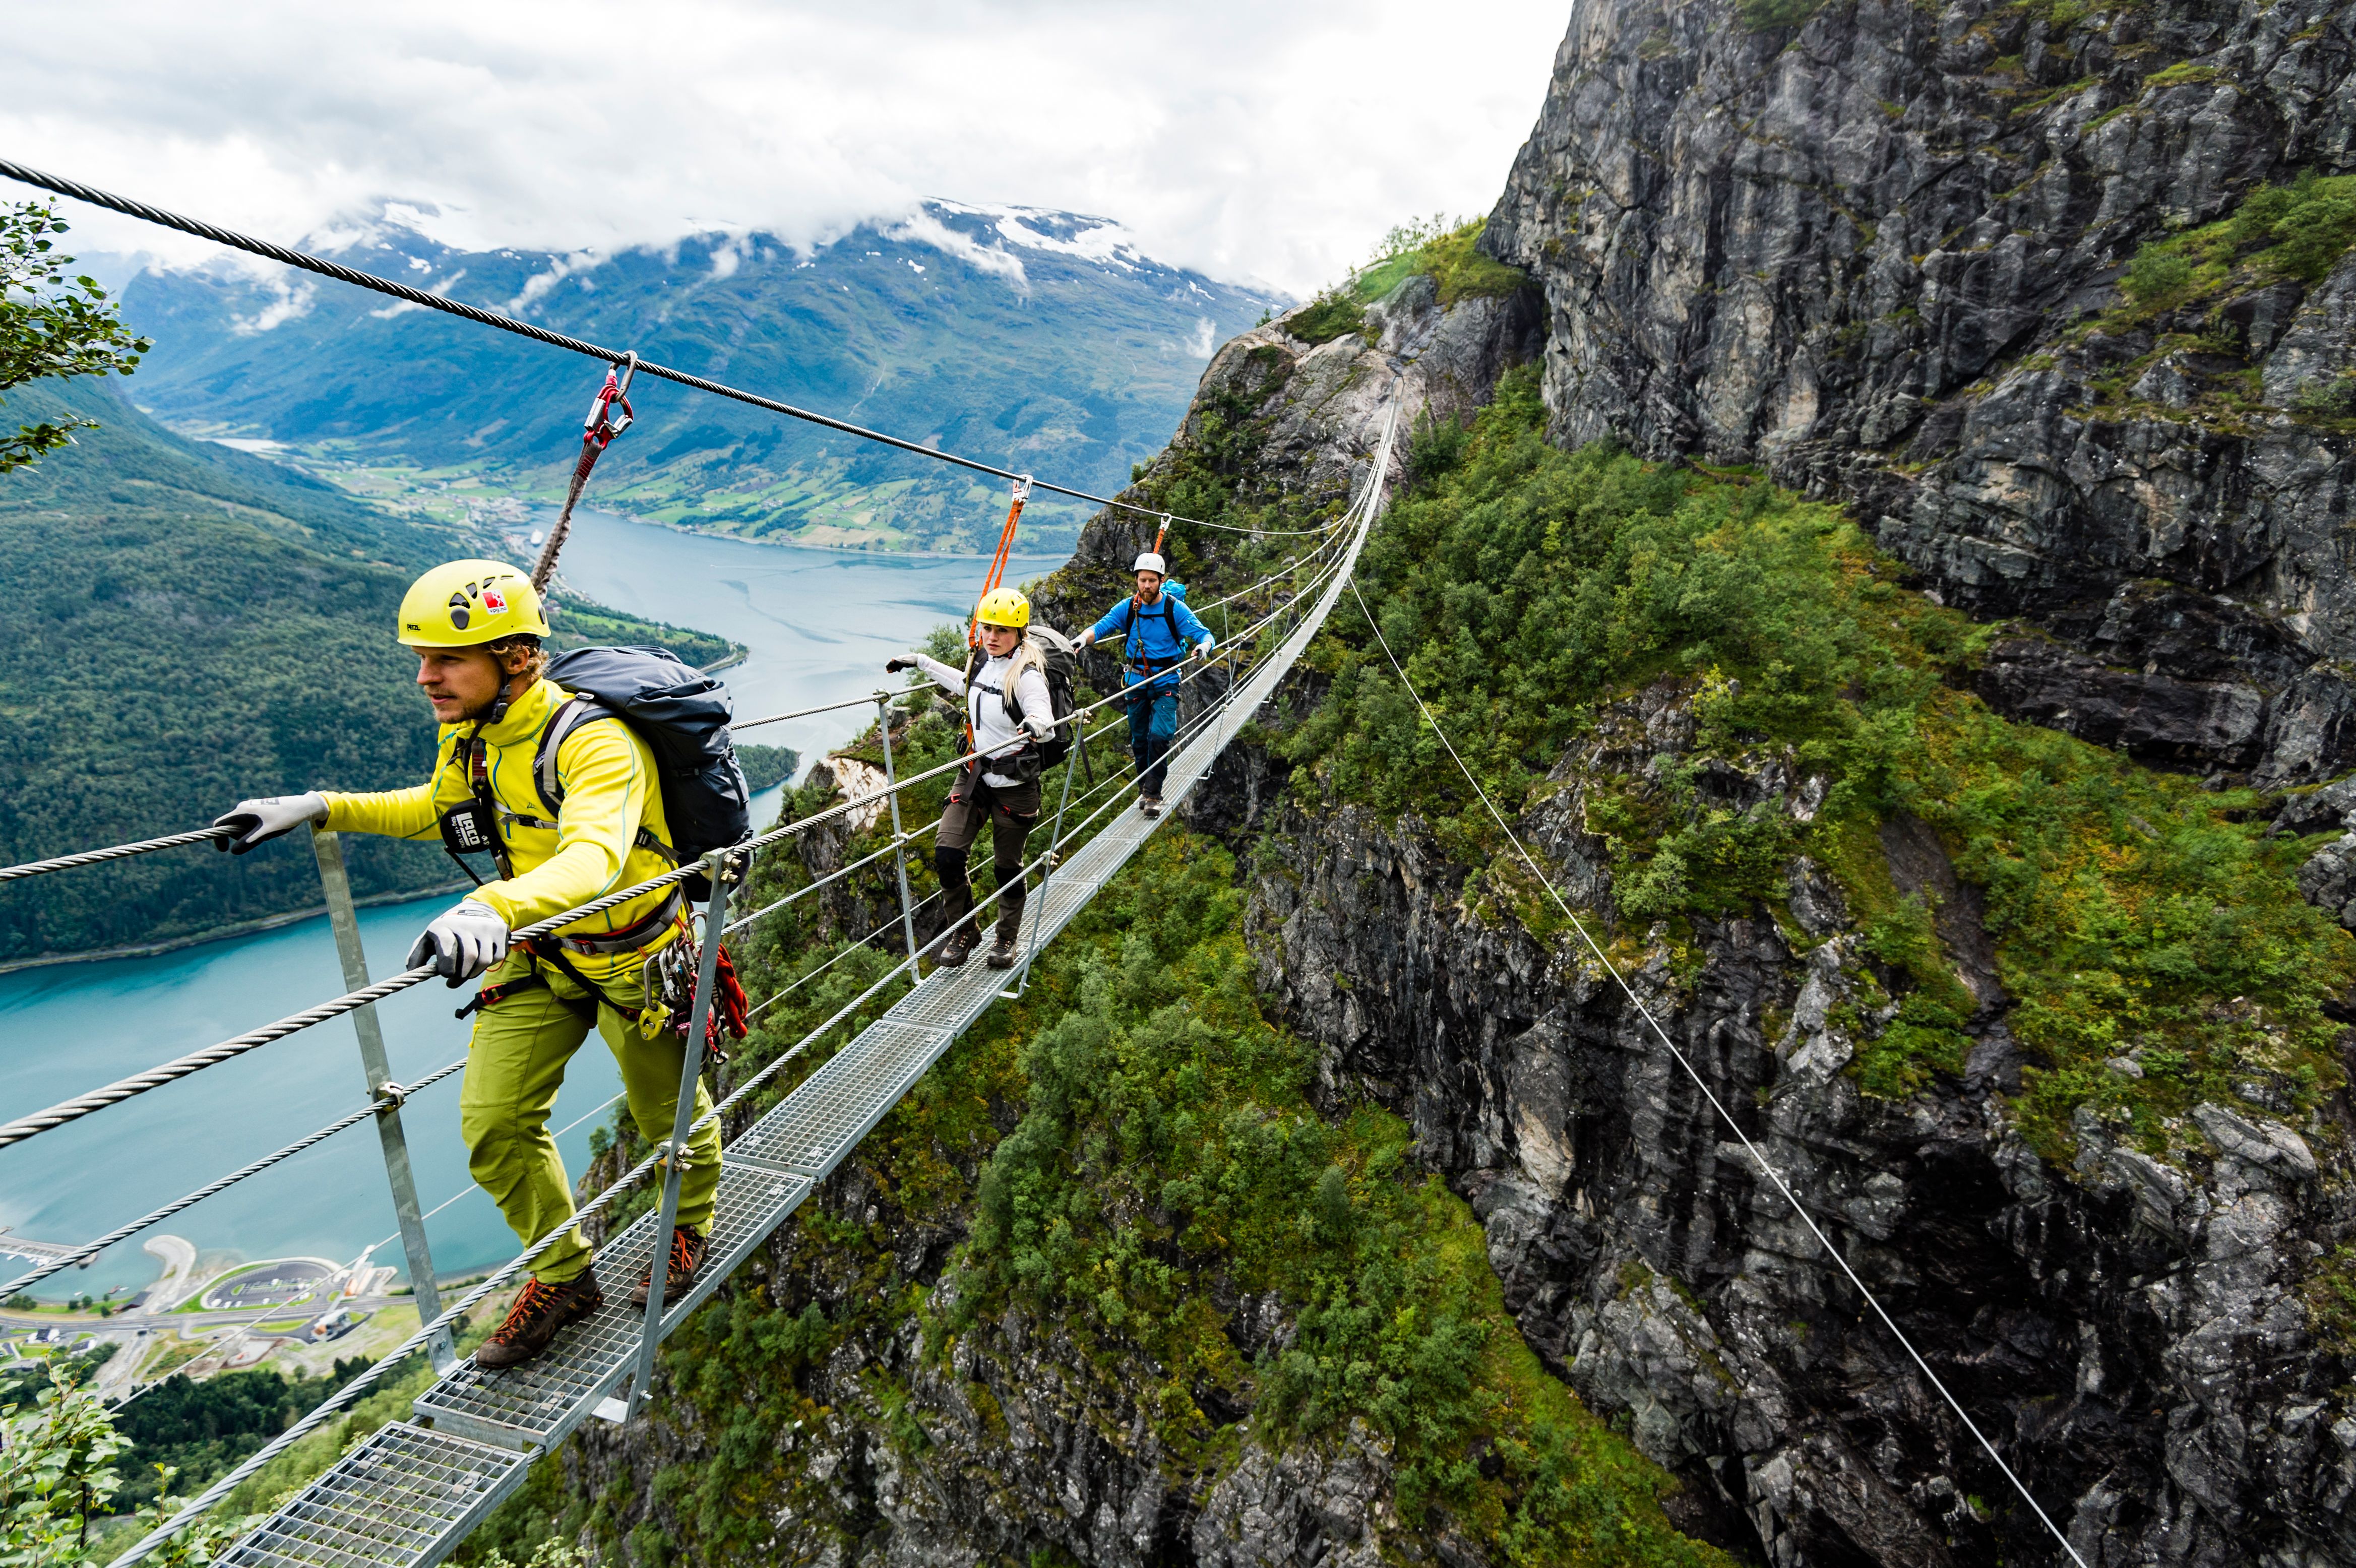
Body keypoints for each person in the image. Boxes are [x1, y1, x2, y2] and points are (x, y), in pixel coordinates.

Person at [209, 560, 722, 1370]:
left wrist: (491, 908)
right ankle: (564, 1275)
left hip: (634, 956)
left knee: (669, 1121)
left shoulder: (598, 742)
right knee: (493, 1126)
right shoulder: (475, 737)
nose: (425, 677)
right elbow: (434, 810)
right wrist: (319, 806)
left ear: (517, 655)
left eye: (446, 659)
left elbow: (593, 856)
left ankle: (688, 1227)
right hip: (540, 953)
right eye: (421, 658)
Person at [886, 588, 1055, 969]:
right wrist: (922, 662)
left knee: (1006, 866)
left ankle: (1006, 937)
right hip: (975, 775)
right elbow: (965, 685)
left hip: (1015, 784)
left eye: (1002, 631)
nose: (992, 637)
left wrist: (1035, 725)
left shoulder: (1026, 676)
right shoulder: (982, 662)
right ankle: (965, 930)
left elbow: (1042, 714)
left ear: (1020, 633)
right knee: (947, 853)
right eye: (987, 629)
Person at [1075, 551, 1214, 817]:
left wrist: (1204, 647)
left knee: (1159, 737)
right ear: (1136, 581)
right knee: (1140, 740)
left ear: (1161, 581)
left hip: (1167, 678)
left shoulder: (1175, 609)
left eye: (1152, 580)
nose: (1147, 586)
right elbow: (1102, 627)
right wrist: (1081, 640)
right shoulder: (1128, 608)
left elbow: (1204, 634)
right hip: (1136, 679)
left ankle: (1153, 794)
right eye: (1142, 580)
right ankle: (1145, 789)